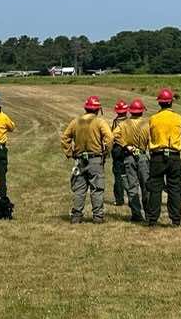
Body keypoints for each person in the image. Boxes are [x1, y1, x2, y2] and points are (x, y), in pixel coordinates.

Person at [59, 96, 114, 224]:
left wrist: (70, 153)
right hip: (95, 159)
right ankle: (98, 217)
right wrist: (106, 152)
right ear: (98, 109)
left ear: (86, 108)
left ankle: (76, 216)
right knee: (97, 189)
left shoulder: (75, 122)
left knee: (79, 189)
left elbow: (64, 138)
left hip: (79, 160)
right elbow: (110, 138)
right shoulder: (100, 122)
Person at [144, 89, 181, 227]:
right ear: (171, 102)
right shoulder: (179, 118)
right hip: (174, 155)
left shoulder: (153, 119)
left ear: (159, 103)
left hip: (157, 156)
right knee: (174, 188)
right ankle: (175, 219)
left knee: (155, 188)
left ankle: (152, 219)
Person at [111, 98, 147, 222]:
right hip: (142, 156)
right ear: (142, 111)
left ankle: (136, 215)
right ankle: (149, 213)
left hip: (128, 157)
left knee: (132, 187)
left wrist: (125, 145)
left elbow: (112, 136)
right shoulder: (147, 124)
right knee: (145, 185)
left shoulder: (122, 124)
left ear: (130, 111)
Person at [109, 99, 129, 206]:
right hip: (128, 150)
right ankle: (132, 197)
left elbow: (112, 137)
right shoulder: (129, 122)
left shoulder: (115, 122)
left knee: (118, 175)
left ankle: (119, 199)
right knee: (129, 174)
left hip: (117, 150)